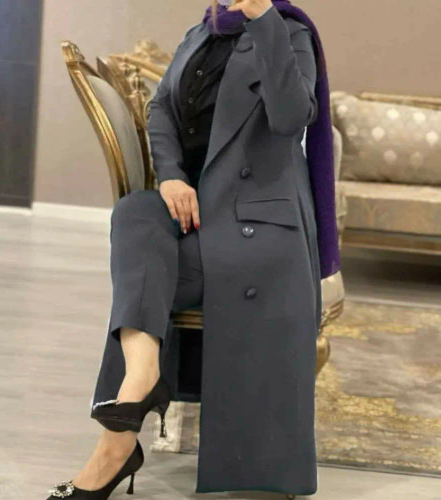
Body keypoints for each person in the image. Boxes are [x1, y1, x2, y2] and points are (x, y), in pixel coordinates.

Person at [47, 0, 340, 498]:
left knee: (143, 279)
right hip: (199, 214)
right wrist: (171, 176)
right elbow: (161, 107)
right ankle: (141, 376)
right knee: (134, 213)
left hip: (256, 229)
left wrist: (264, 19)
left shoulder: (290, 33)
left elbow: (292, 117)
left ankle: (114, 449)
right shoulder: (200, 33)